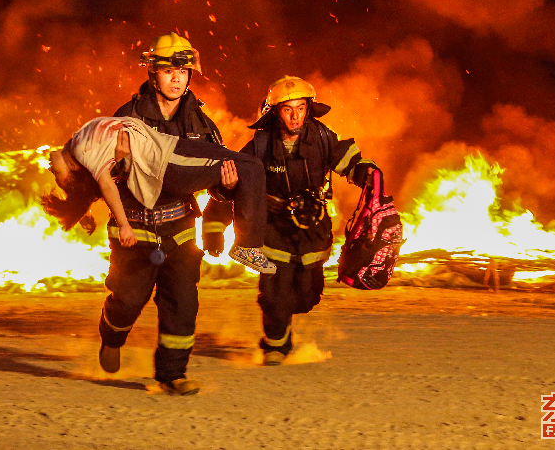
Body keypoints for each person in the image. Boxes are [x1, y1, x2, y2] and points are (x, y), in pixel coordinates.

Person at [43, 116, 275, 394]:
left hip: (179, 227)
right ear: (153, 74)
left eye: (182, 72)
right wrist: (89, 205)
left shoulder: (200, 124)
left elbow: (213, 181)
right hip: (133, 230)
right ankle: (112, 336)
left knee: (182, 303)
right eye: (168, 72)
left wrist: (227, 188)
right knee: (128, 299)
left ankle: (173, 374)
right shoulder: (129, 111)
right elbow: (93, 173)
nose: (175, 79)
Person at [239, 75, 379, 366]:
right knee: (275, 292)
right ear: (275, 111)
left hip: (312, 229)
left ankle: (284, 318)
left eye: (301, 108)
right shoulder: (261, 145)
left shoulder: (322, 137)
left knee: (306, 296)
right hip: (274, 227)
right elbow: (233, 179)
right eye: (288, 109)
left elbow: (346, 159)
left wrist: (366, 172)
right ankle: (275, 344)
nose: (295, 116)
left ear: (308, 108)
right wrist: (218, 219)